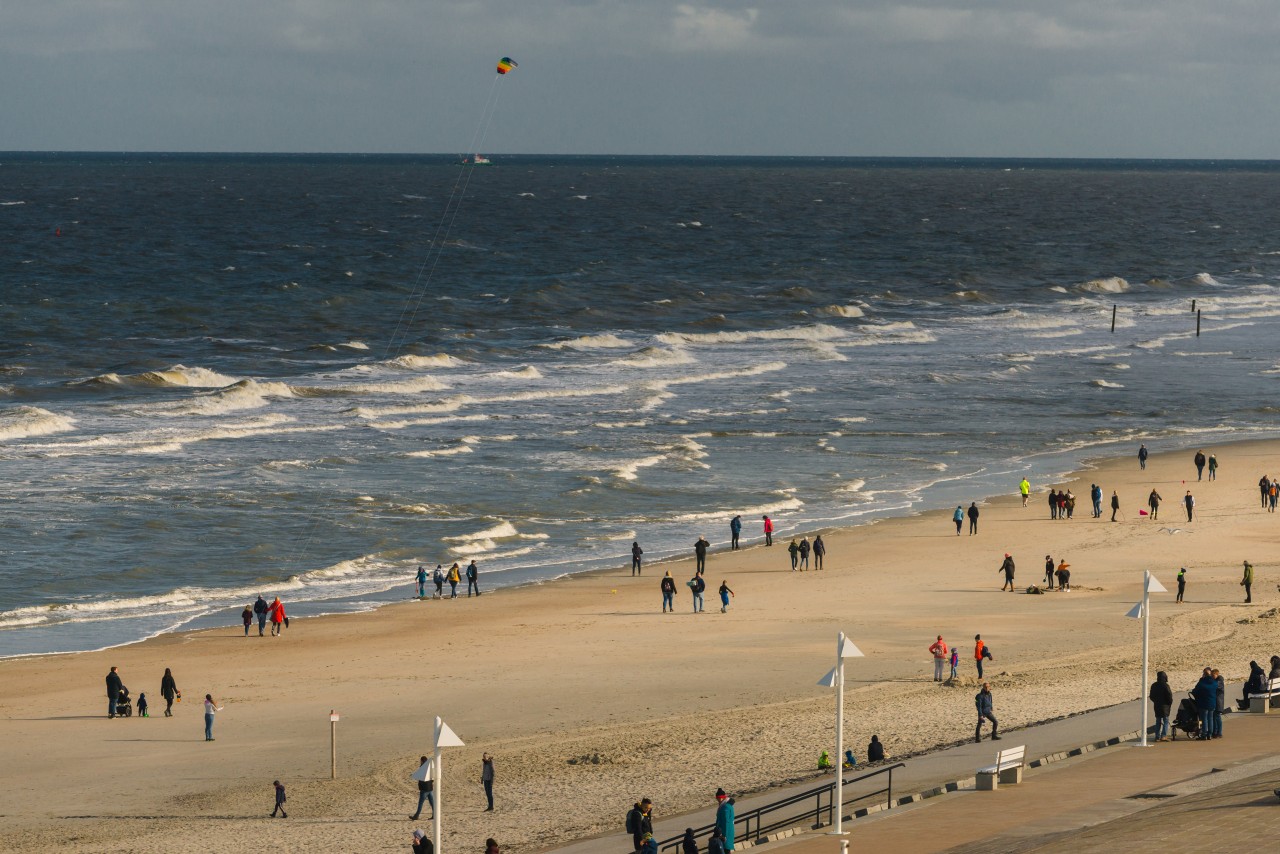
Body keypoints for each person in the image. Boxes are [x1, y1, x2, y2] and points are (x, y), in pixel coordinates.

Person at [1192, 668, 1216, 740]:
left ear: (1204, 675)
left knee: (1204, 719)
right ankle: (1210, 734)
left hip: (1203, 703)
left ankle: (1204, 734)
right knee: (1210, 719)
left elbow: (1195, 691)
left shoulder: (1201, 683)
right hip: (1212, 703)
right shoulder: (1214, 683)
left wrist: (1201, 680)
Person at [1150, 671, 1173, 741]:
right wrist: (1169, 703)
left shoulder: (1154, 685)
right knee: (1166, 721)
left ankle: (1157, 736)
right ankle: (1163, 735)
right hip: (1165, 706)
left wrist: (1156, 701)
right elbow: (1169, 696)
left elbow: (1151, 696)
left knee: (1158, 721)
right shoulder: (1166, 685)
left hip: (1157, 705)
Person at [410, 755, 434, 820]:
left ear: (422, 761)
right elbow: (432, 778)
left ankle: (416, 816)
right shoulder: (429, 768)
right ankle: (434, 815)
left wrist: (413, 775)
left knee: (420, 803)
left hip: (424, 789)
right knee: (432, 802)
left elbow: (420, 777)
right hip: (430, 788)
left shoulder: (422, 768)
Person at [1213, 668, 1225, 738]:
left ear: (1217, 674)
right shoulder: (1217, 680)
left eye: (1213, 675)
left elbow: (1215, 686)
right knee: (1215, 717)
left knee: (1217, 717)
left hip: (1218, 702)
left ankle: (1219, 732)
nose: (1212, 676)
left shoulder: (1219, 681)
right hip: (1217, 701)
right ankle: (1216, 731)